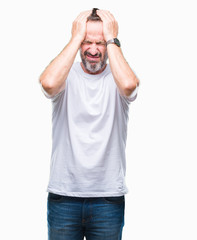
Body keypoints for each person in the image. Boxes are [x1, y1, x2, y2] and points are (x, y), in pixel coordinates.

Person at [39, 8, 139, 240]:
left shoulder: (118, 77)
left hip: (107, 198)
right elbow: (49, 84)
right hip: (64, 196)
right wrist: (75, 37)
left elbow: (129, 86)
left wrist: (112, 38)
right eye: (86, 42)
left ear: (110, 43)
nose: (93, 50)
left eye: (101, 42)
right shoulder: (66, 75)